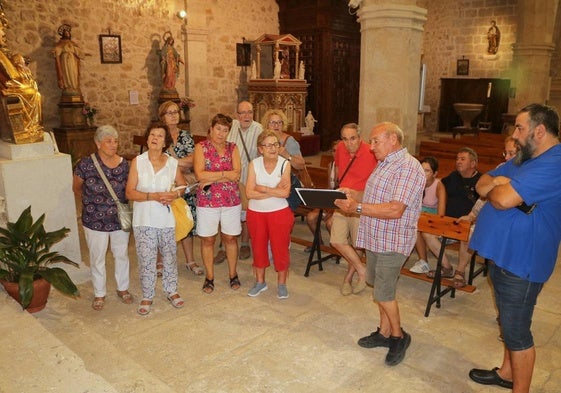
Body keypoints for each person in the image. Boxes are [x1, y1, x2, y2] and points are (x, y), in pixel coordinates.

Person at [468, 104, 561, 392]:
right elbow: (482, 182)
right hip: (502, 257)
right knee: (508, 325)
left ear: (540, 131)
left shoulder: (555, 162)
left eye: (520, 128)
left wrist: (504, 189)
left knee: (518, 333)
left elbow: (502, 200)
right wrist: (500, 182)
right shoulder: (525, 157)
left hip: (523, 263)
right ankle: (507, 373)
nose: (514, 135)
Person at [334, 122, 425, 366]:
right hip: (375, 236)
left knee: (384, 293)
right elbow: (374, 198)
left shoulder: (408, 167)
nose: (371, 146)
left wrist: (358, 207)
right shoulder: (384, 164)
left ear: (393, 139)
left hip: (392, 240)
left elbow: (396, 209)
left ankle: (398, 337)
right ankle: (384, 333)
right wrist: (354, 195)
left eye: (375, 141)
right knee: (381, 290)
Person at [126, 122, 186, 315]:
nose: (155, 138)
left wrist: (174, 195)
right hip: (143, 219)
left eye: (160, 136)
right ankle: (147, 294)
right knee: (146, 258)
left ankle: (171, 290)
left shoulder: (172, 163)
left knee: (169, 255)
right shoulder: (138, 161)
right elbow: (130, 192)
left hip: (166, 219)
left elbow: (182, 186)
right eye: (152, 134)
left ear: (165, 142)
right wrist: (152, 196)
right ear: (148, 138)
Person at [73, 125, 132, 311]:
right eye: (109, 141)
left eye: (115, 141)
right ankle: (99, 293)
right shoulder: (85, 164)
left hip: (119, 220)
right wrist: (93, 204)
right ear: (98, 143)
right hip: (94, 220)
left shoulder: (125, 165)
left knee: (121, 254)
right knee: (97, 257)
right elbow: (76, 188)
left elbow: (130, 189)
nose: (113, 144)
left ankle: (123, 288)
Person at [193, 114, 242, 294]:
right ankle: (209, 277)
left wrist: (213, 176)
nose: (221, 133)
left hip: (231, 200)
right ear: (211, 128)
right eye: (218, 128)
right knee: (208, 239)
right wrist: (224, 174)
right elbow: (200, 175)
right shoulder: (201, 148)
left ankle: (233, 274)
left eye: (225, 130)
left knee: (230, 237)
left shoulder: (233, 148)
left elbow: (236, 174)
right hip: (207, 201)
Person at [423, 147, 481, 288]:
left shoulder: (481, 181)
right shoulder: (453, 177)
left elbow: (485, 207)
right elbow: (440, 184)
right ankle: (447, 267)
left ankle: (460, 272)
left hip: (469, 224)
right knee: (427, 232)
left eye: (462, 159)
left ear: (473, 163)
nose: (458, 162)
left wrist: (472, 218)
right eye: (457, 159)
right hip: (449, 223)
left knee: (468, 234)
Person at [245, 130, 293, 298]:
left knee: (280, 249)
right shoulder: (254, 164)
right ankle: (260, 282)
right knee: (258, 248)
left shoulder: (285, 164)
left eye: (275, 144)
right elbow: (249, 193)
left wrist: (263, 188)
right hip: (256, 213)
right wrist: (274, 191)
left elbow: (285, 193)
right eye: (268, 145)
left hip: (279, 213)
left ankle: (281, 284)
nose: (273, 148)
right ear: (260, 149)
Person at [330, 123, 377, 295]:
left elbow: (374, 186)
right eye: (345, 139)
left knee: (357, 245)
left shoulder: (371, 152)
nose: (349, 143)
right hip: (342, 201)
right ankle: (362, 271)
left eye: (353, 139)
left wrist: (356, 194)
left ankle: (348, 278)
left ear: (359, 137)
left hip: (360, 203)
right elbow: (340, 173)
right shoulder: (340, 149)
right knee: (336, 240)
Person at [214, 101, 263, 263]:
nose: (246, 116)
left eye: (249, 112)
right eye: (242, 113)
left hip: (248, 179)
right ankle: (223, 246)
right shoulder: (231, 126)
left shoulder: (258, 129)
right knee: (225, 212)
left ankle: (244, 243)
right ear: (237, 115)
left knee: (246, 213)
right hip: (228, 179)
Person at [159, 100, 203, 276]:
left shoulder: (186, 135)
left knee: (187, 221)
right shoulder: (158, 135)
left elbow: (193, 160)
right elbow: (156, 160)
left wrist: (172, 162)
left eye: (176, 111)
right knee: (163, 224)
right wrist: (180, 163)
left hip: (184, 186)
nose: (174, 115)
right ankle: (160, 261)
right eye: (170, 112)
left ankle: (190, 260)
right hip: (166, 187)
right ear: (162, 116)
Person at [409, 156, 446, 273]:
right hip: (418, 217)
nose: (423, 173)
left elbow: (441, 214)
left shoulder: (438, 185)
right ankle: (422, 261)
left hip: (432, 220)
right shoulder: (415, 183)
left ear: (434, 173)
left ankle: (423, 261)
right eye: (421, 169)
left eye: (427, 170)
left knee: (416, 227)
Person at [304, 139, 340, 249]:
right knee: (310, 217)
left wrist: (333, 211)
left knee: (330, 223)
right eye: (334, 150)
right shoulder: (331, 165)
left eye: (339, 151)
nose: (336, 153)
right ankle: (318, 242)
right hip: (330, 203)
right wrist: (327, 208)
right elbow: (330, 188)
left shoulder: (348, 166)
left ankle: (336, 248)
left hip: (341, 206)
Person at [54, 24, 84, 94]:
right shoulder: (60, 43)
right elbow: (57, 51)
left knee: (73, 73)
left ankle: (74, 87)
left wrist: (84, 54)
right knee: (67, 73)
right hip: (64, 60)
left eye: (68, 33)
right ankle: (68, 87)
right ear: (63, 34)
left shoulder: (72, 43)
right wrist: (56, 51)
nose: (67, 34)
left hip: (72, 60)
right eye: (66, 33)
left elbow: (78, 51)